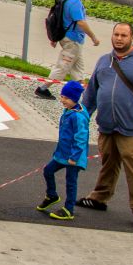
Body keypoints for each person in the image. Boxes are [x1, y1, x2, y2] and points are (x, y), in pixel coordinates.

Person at [78, 22, 133, 229]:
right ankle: (99, 197)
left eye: (123, 35)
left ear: (132, 38)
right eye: (116, 34)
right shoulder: (104, 61)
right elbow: (91, 93)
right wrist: (82, 117)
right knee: (108, 163)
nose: (119, 38)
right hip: (107, 126)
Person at [35, 0, 99, 101]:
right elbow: (81, 22)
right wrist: (93, 37)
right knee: (62, 67)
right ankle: (42, 89)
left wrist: (55, 38)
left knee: (78, 69)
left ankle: (84, 94)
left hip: (68, 38)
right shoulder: (75, 2)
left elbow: (59, 18)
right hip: (73, 41)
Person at [37, 81, 91, 221]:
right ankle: (52, 195)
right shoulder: (69, 111)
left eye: (66, 98)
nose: (62, 100)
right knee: (48, 171)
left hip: (73, 157)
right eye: (62, 96)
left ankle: (69, 209)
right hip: (63, 153)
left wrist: (75, 156)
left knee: (71, 182)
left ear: (75, 98)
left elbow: (81, 138)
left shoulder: (78, 116)